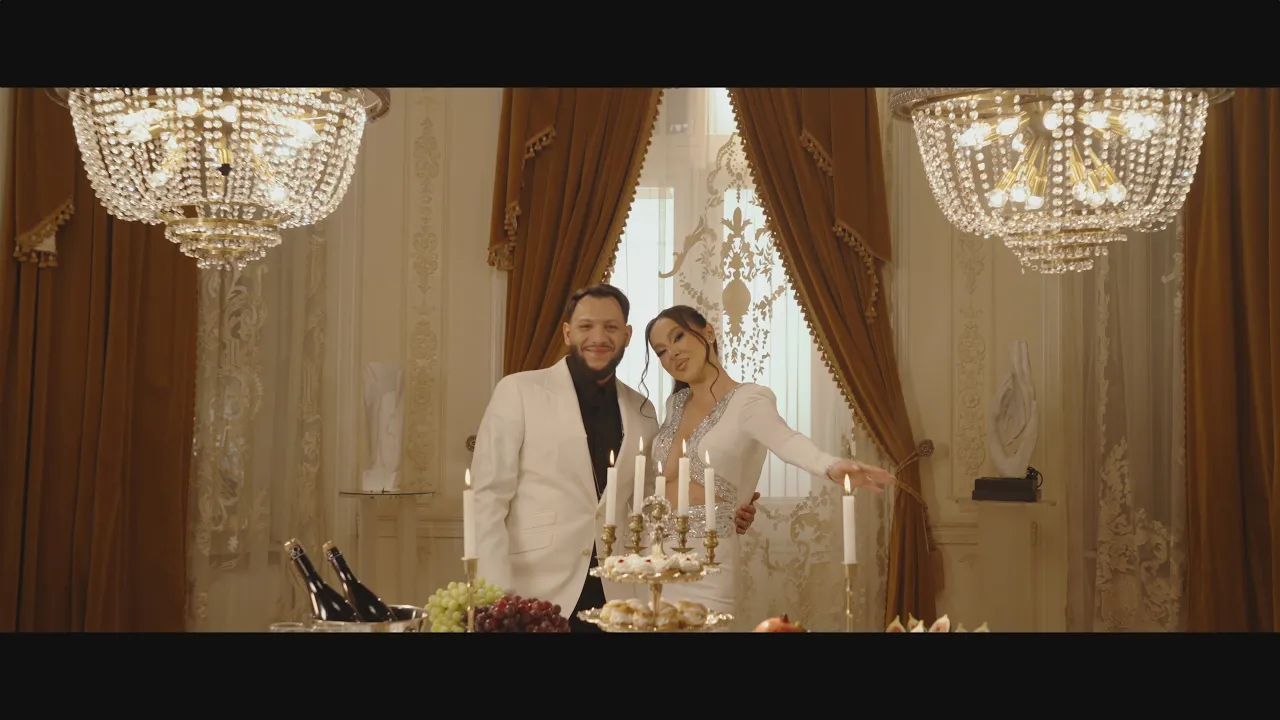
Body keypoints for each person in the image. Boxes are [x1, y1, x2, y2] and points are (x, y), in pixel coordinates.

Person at [470, 285, 761, 632]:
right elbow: (487, 498)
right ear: (567, 333)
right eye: (586, 326)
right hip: (534, 589)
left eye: (610, 327)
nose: (599, 337)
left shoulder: (643, 409)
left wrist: (724, 508)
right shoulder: (518, 390)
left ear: (626, 336)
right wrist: (496, 595)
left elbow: (653, 496)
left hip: (619, 592)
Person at [642, 304, 896, 622]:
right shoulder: (674, 404)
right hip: (651, 556)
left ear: (708, 332)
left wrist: (830, 466)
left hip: (706, 560)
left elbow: (786, 440)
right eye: (661, 351)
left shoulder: (749, 399)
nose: (673, 354)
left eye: (678, 337)